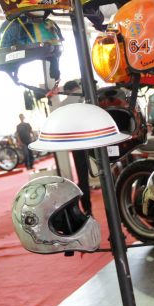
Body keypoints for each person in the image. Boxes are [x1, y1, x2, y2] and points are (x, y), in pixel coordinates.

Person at [59, 80, 91, 214]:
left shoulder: (63, 104)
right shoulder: (88, 94)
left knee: (83, 178)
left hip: (77, 144)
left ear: (67, 91)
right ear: (76, 87)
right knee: (106, 171)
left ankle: (87, 209)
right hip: (95, 138)